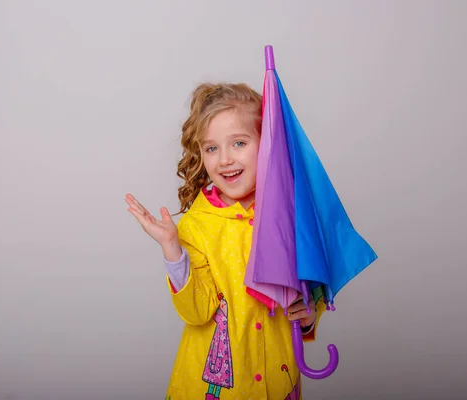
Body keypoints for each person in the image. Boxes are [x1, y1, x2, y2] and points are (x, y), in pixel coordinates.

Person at [126, 82, 327, 399]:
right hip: (217, 389)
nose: (224, 160)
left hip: (278, 381)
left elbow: (309, 284)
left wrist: (308, 316)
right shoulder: (196, 224)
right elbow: (197, 312)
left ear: (268, 145)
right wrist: (173, 250)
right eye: (211, 148)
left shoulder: (291, 212)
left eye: (238, 143)